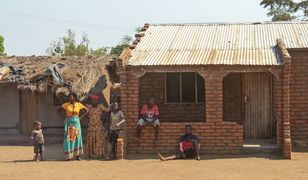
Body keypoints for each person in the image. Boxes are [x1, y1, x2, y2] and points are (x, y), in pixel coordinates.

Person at [57, 92, 89, 161]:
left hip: (77, 123)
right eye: (68, 97)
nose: (69, 98)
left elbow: (86, 110)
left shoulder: (79, 104)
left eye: (70, 97)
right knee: (69, 138)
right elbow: (58, 110)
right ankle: (69, 156)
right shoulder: (66, 105)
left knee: (77, 138)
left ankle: (77, 156)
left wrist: (80, 117)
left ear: (74, 97)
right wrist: (64, 118)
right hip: (69, 123)